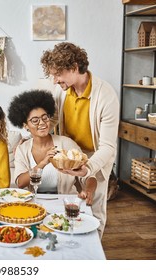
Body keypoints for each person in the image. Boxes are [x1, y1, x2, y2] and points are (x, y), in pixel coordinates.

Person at [40, 42, 120, 236]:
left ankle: (94, 256)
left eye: (58, 74)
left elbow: (108, 147)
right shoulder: (61, 91)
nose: (54, 80)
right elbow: (51, 121)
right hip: (68, 154)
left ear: (74, 68)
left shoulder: (106, 96)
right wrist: (29, 140)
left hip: (96, 157)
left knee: (94, 210)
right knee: (67, 204)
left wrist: (88, 168)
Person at [8, 89, 85, 195]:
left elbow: (86, 173)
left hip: (64, 200)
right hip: (35, 202)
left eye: (45, 118)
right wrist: (43, 163)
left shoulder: (66, 143)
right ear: (25, 125)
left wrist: (86, 191)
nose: (42, 123)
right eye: (35, 120)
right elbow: (20, 183)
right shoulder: (22, 149)